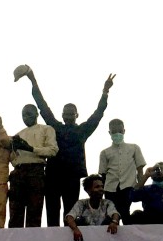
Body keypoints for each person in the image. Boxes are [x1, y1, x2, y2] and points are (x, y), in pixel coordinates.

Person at [21, 68, 113, 226]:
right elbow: (42, 105)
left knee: (70, 213)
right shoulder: (55, 127)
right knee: (52, 212)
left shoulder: (83, 130)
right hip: (53, 176)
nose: (68, 116)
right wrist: (33, 80)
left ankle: (68, 239)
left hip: (72, 177)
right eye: (66, 113)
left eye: (71, 113)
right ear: (62, 115)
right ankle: (52, 239)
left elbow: (98, 113)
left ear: (77, 115)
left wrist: (105, 92)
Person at [8, 104, 58, 227]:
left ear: (36, 114)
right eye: (23, 115)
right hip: (18, 172)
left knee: (34, 212)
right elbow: (12, 157)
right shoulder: (19, 134)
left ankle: (32, 239)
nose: (26, 117)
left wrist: (30, 148)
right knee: (15, 213)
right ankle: (15, 239)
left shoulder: (47, 129)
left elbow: (52, 150)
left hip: (36, 171)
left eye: (29, 114)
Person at [98, 118, 146, 223]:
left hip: (128, 185)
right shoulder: (105, 152)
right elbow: (103, 174)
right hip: (110, 187)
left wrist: (140, 187)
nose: (117, 134)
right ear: (109, 133)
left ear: (124, 131)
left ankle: (127, 232)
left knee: (125, 212)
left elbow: (140, 170)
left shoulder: (134, 148)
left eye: (120, 131)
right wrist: (101, 192)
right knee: (111, 214)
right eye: (114, 132)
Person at [65, 174, 120, 241]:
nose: (101, 189)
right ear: (88, 190)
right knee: (80, 221)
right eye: (97, 187)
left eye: (102, 187)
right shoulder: (81, 203)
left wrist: (114, 222)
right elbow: (69, 217)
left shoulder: (107, 203)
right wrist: (75, 229)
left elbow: (115, 214)